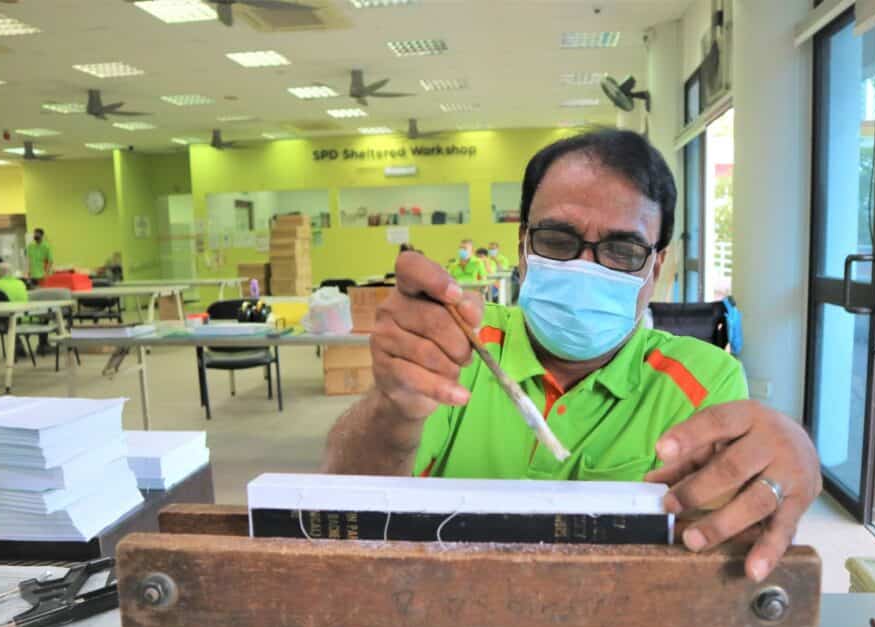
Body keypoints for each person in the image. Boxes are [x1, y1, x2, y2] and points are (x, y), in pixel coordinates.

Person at [324, 129, 821, 583]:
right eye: (558, 240)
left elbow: (712, 547)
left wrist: (780, 459)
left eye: (622, 250)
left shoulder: (706, 378)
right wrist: (392, 407)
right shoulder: (458, 341)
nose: (586, 267)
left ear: (656, 267)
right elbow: (344, 505)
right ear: (522, 247)